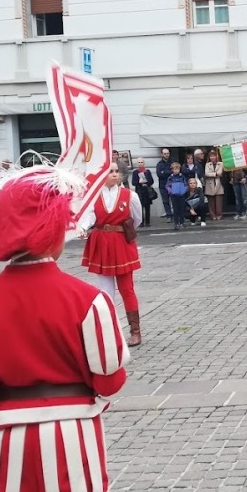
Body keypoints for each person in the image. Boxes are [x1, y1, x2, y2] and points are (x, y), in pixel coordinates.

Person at [0, 165, 129, 492]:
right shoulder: (90, 301)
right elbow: (109, 381)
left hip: (6, 439)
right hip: (75, 434)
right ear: (52, 230)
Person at [80, 163, 144, 346]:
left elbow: (136, 219)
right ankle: (109, 332)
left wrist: (120, 231)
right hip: (101, 243)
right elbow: (89, 216)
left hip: (122, 243)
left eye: (117, 171)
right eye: (110, 171)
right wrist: (83, 228)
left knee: (127, 289)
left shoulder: (130, 195)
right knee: (105, 290)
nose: (114, 174)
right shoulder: (94, 196)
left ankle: (135, 331)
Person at [131, 157, 155, 227]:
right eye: (139, 162)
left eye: (141, 162)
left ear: (144, 163)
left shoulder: (147, 171)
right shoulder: (135, 172)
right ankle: (141, 222)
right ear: (137, 164)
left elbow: (151, 181)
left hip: (147, 191)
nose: (140, 164)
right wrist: (139, 182)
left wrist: (146, 182)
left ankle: (147, 222)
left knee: (147, 207)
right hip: (139, 191)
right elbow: (133, 182)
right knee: (140, 207)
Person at [165, 162, 188, 230]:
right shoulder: (170, 178)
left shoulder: (182, 177)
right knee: (175, 209)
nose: (176, 170)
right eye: (174, 169)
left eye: (177, 169)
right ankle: (176, 223)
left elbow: (185, 185)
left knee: (181, 208)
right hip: (174, 195)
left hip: (181, 195)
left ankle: (182, 222)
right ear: (172, 170)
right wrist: (171, 191)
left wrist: (184, 191)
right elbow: (167, 186)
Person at [204, 150, 224, 220]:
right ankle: (213, 215)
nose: (212, 157)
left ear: (216, 156)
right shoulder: (207, 164)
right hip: (209, 184)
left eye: (214, 156)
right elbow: (206, 173)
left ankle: (219, 215)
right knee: (211, 201)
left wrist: (212, 174)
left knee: (219, 200)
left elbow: (220, 172)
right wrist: (215, 174)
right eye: (211, 156)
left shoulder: (220, 164)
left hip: (218, 183)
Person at [156, 148, 173, 220]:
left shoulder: (172, 162)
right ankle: (169, 215)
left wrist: (165, 172)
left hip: (172, 185)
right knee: (165, 201)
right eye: (165, 153)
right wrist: (168, 172)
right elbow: (159, 174)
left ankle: (175, 215)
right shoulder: (159, 164)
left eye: (167, 153)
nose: (166, 155)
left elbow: (174, 171)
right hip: (163, 185)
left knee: (174, 200)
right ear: (162, 154)